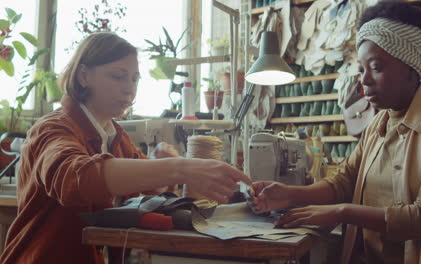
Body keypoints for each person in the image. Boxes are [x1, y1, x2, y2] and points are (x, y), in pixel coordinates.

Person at [0, 32, 251, 264]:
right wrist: (178, 168)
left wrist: (159, 168)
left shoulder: (115, 136)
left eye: (134, 79)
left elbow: (147, 188)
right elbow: (76, 179)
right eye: (118, 76)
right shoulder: (53, 129)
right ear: (84, 76)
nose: (129, 88)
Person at [250, 1, 421, 263]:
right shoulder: (378, 124)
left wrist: (342, 213)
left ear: (411, 68)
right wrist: (289, 194)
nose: (364, 80)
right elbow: (345, 181)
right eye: (362, 69)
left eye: (375, 67)